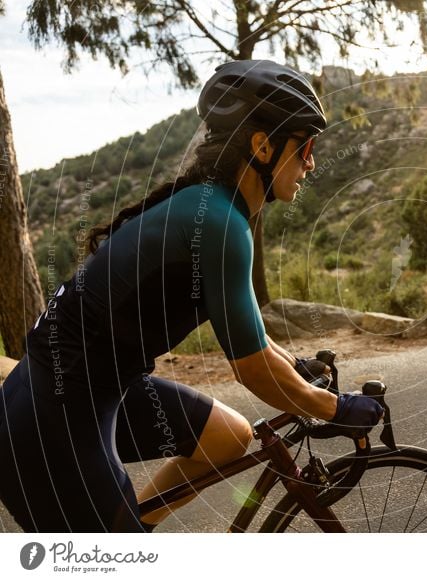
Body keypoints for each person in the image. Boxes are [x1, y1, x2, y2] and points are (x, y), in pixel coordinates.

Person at [0, 60, 383, 532]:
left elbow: (252, 339)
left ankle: (125, 527)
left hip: (77, 387)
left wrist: (295, 369)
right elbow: (252, 370)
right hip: (51, 417)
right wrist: (335, 408)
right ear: (261, 145)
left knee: (227, 437)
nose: (311, 161)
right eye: (305, 145)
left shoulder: (213, 209)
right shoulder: (220, 223)